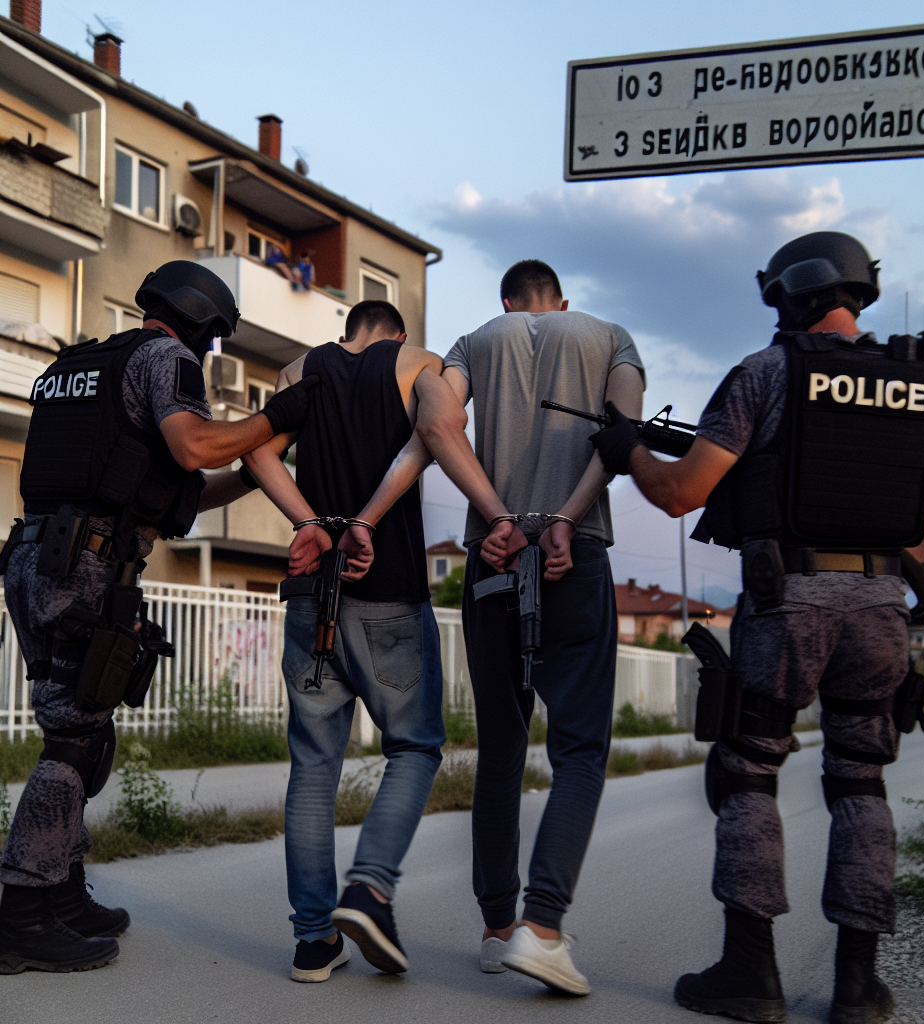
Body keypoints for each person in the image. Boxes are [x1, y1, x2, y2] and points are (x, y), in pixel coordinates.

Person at [590, 232, 924, 1024]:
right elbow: (913, 517)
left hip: (790, 598)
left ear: (789, 293)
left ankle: (750, 972)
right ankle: (860, 985)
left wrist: (628, 451)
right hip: (882, 605)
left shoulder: (766, 372)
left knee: (750, 770)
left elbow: (680, 494)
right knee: (861, 779)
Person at [0, 260, 318, 976]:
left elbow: (175, 495)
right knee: (75, 740)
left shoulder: (79, 365)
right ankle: (20, 914)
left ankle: (61, 891)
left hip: (38, 557)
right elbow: (194, 446)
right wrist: (277, 417)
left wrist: (255, 467)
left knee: (80, 728)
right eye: (215, 336)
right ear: (202, 321)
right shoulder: (166, 359)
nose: (210, 349)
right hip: (83, 564)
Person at [243, 299, 511, 984]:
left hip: (312, 596)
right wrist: (370, 520)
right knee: (415, 747)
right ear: (399, 333)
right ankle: (368, 887)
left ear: (348, 331)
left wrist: (310, 524)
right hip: (389, 591)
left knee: (313, 766)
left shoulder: (301, 369)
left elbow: (258, 450)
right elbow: (438, 429)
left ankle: (313, 942)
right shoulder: (418, 364)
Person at [429, 259, 645, 996]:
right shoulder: (609, 336)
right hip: (571, 554)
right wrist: (565, 518)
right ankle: (543, 926)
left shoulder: (472, 342)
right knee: (579, 749)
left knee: (501, 745)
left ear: (507, 301)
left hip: (492, 555)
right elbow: (622, 434)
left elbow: (437, 424)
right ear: (561, 300)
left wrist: (497, 516)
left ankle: (497, 930)